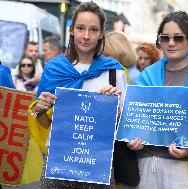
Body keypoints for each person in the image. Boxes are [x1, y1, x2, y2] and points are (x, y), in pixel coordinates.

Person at [120, 11, 188, 189]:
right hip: (145, 166)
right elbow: (133, 119)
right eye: (165, 38)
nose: (171, 43)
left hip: (184, 169)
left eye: (178, 38)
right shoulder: (147, 75)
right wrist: (132, 140)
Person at [27, 2, 126, 189]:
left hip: (98, 165)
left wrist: (114, 106)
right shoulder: (54, 69)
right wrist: (40, 109)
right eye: (80, 28)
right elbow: (43, 122)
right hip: (57, 164)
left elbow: (122, 126)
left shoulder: (114, 72)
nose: (86, 36)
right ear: (71, 29)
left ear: (101, 34)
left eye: (93, 29)